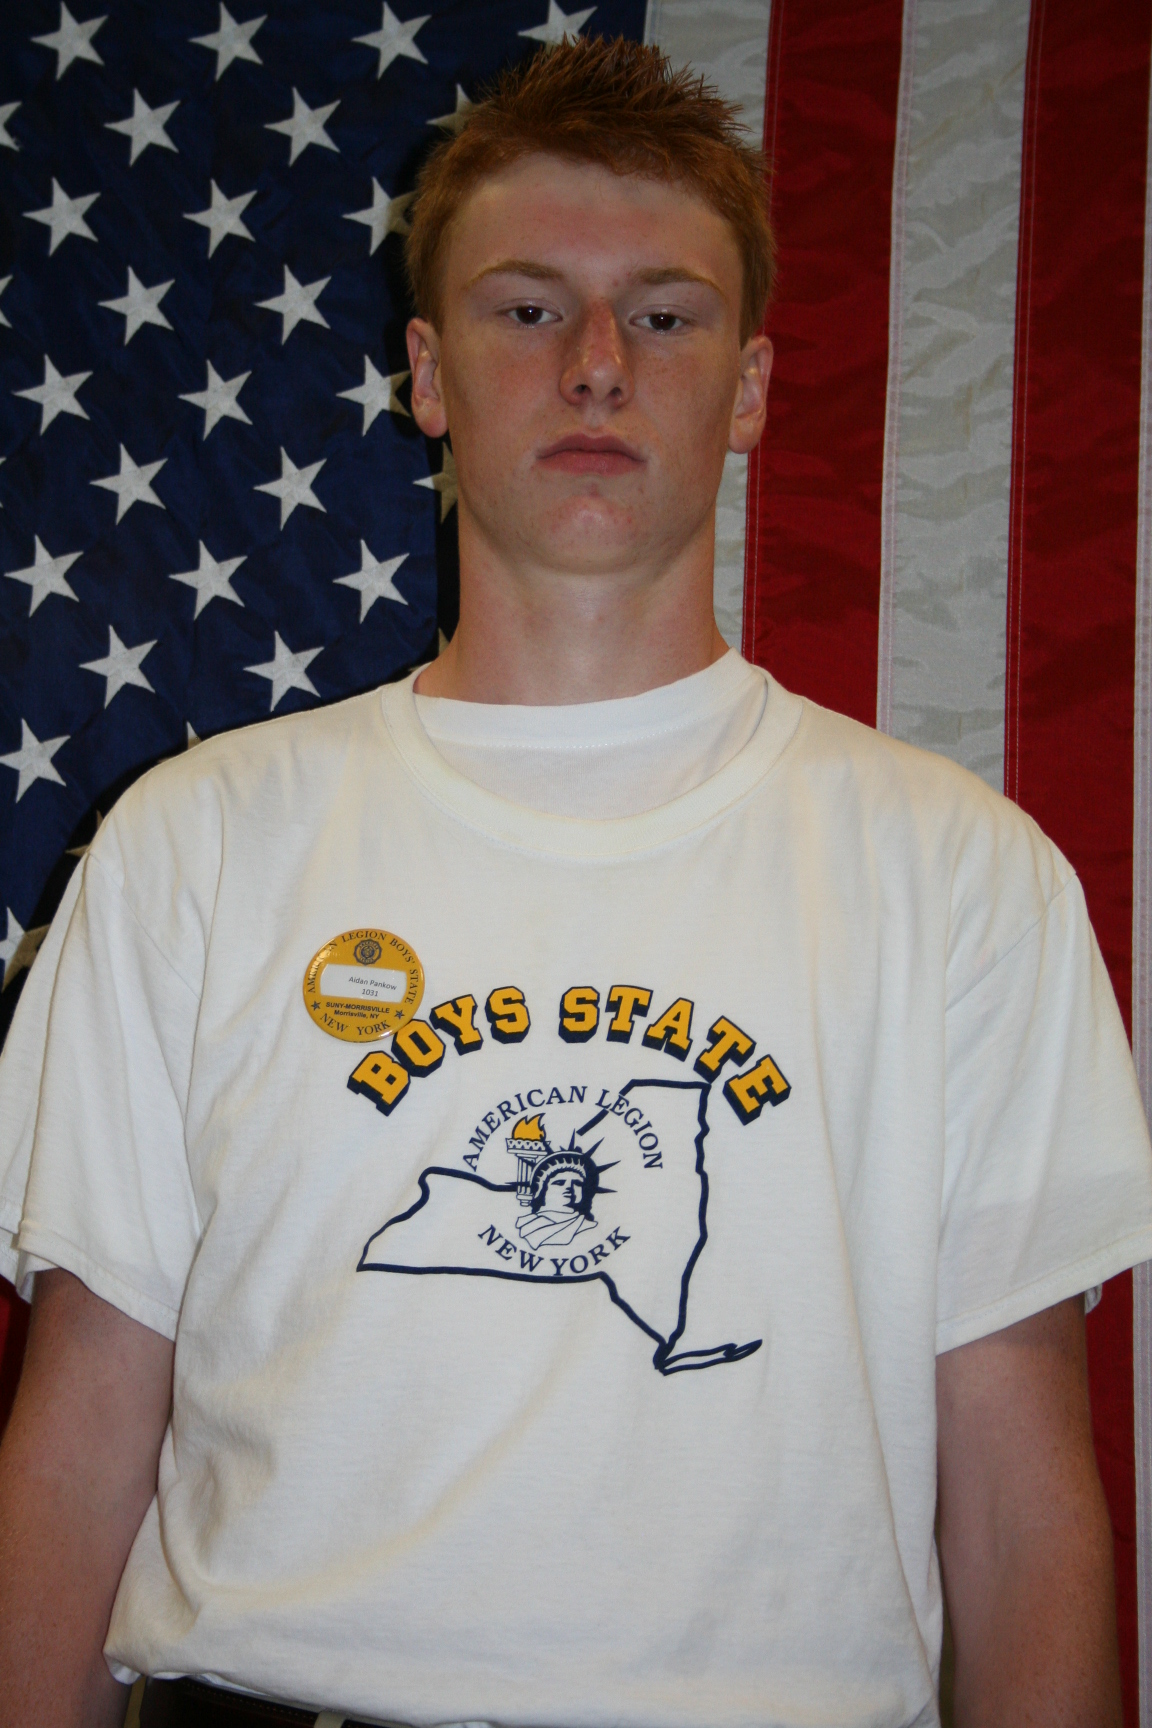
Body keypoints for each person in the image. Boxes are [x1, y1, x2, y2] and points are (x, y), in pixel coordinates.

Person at [0, 32, 1150, 1728]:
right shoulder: (198, 845)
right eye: (529, 308)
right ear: (429, 371)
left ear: (750, 389)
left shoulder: (961, 876)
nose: (598, 366)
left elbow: (1023, 1494)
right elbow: (81, 1436)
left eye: (665, 316)